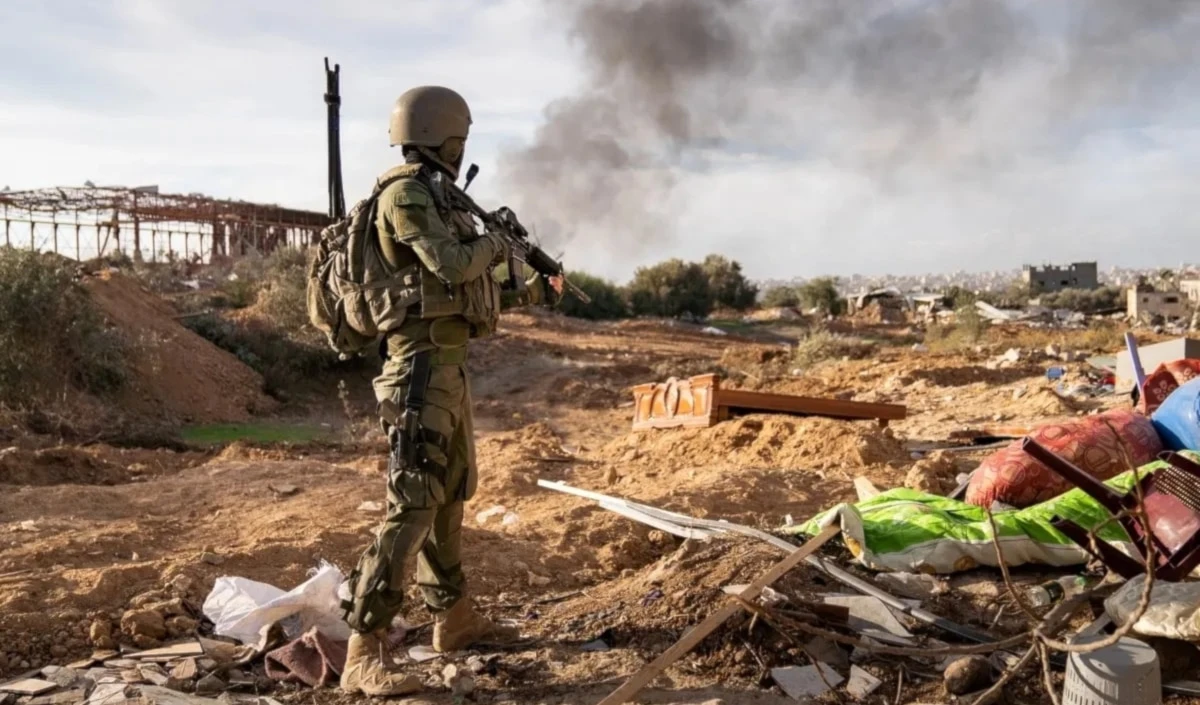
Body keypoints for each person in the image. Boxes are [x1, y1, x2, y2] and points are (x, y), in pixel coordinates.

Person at [338, 86, 562, 697]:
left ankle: (454, 618)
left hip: (447, 365)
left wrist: (537, 287)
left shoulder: (439, 195)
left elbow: (472, 290)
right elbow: (452, 265)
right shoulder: (407, 193)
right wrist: (498, 241)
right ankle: (364, 647)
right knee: (413, 499)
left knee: (451, 490)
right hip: (416, 369)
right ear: (449, 137)